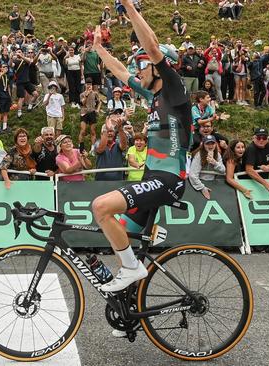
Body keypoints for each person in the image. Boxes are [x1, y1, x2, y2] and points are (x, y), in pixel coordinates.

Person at [90, 0, 192, 297]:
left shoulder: (174, 88)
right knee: (119, 232)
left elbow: (153, 45)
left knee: (101, 207)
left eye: (142, 63)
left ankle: (132, 269)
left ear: (158, 67)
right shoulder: (153, 94)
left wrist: (129, 8)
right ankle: (129, 306)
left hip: (169, 180)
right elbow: (120, 72)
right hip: (152, 179)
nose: (137, 68)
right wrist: (98, 48)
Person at [93, 112, 130, 181]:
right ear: (102, 133)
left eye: (111, 131)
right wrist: (106, 129)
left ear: (114, 134)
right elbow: (101, 149)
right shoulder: (97, 143)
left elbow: (124, 146)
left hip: (118, 180)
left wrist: (120, 128)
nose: (109, 133)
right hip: (101, 181)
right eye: (108, 131)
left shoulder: (118, 143)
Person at [189, 135, 226, 199]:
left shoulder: (217, 154)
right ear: (203, 145)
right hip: (199, 184)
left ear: (215, 144)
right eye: (207, 144)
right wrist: (202, 188)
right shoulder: (199, 155)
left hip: (213, 183)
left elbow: (223, 170)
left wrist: (215, 163)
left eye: (212, 143)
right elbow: (193, 175)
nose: (210, 146)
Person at [244, 127, 269, 194]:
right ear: (253, 138)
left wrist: (268, 166)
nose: (261, 140)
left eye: (264, 138)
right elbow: (249, 170)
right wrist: (265, 184)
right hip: (249, 182)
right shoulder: (251, 149)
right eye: (259, 138)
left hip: (263, 181)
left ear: (268, 138)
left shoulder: (268, 146)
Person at [78, 80, 100, 151]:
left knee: (93, 131)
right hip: (84, 112)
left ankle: (92, 149)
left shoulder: (95, 93)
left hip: (92, 112)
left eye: (90, 84)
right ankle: (81, 147)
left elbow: (99, 102)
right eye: (87, 84)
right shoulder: (82, 94)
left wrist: (97, 109)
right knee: (83, 130)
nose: (89, 86)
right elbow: (83, 103)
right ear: (85, 85)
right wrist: (86, 95)